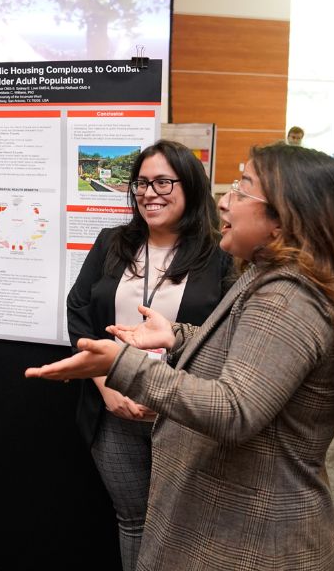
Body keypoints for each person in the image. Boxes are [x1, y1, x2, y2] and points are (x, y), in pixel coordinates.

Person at [28, 144, 334, 570]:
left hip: (255, 536)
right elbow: (247, 350)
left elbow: (234, 408)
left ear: (283, 217)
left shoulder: (287, 297)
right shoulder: (268, 276)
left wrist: (121, 365)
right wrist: (177, 334)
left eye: (243, 188)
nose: (226, 200)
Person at [66, 140, 232, 571]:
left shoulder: (220, 256)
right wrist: (106, 390)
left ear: (190, 187)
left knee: (184, 522)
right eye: (140, 183)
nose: (148, 193)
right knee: (133, 519)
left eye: (162, 182)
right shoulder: (112, 243)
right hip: (115, 411)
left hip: (181, 415)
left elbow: (226, 338)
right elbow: (79, 313)